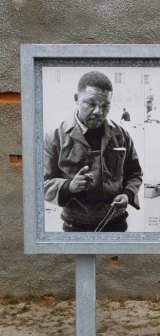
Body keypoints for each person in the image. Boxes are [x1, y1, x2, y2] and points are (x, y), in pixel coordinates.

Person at [44, 71, 143, 232]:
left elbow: (135, 174)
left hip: (116, 224)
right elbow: (42, 183)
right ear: (76, 99)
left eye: (105, 105)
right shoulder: (55, 137)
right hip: (75, 228)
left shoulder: (121, 134)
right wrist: (69, 186)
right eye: (91, 104)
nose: (99, 111)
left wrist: (127, 194)